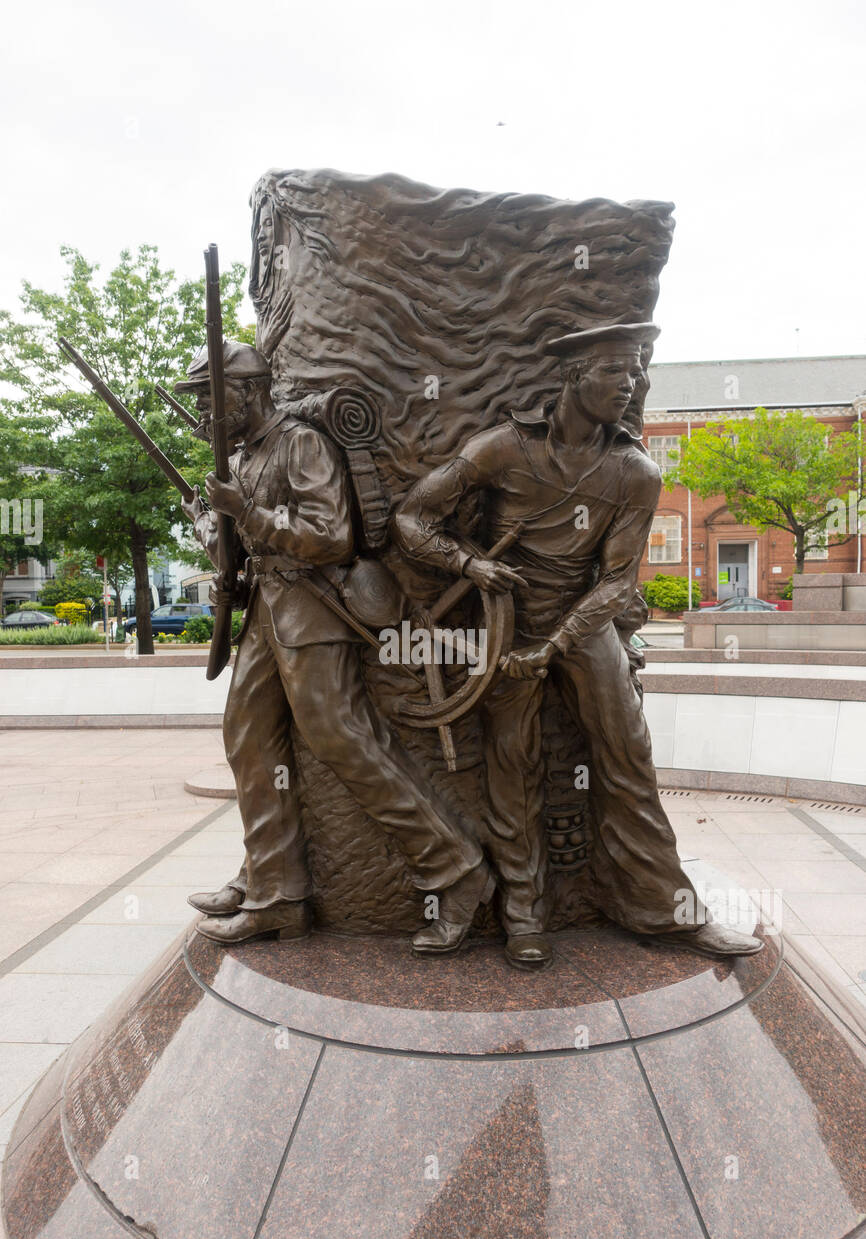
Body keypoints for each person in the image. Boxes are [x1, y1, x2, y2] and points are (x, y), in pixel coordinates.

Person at [395, 322, 762, 966]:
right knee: (513, 766)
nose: (633, 383)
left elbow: (618, 583)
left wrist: (557, 643)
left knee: (628, 758)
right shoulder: (502, 449)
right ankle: (522, 914)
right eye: (617, 369)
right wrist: (469, 566)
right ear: (573, 375)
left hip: (585, 625)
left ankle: (665, 912)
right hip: (506, 623)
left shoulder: (635, 473)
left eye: (638, 370)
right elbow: (412, 518)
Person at [178, 340, 492, 946]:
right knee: (247, 742)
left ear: (248, 391)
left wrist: (247, 510)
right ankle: (275, 890)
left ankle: (458, 869)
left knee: (344, 739)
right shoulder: (242, 459)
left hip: (314, 613)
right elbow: (238, 554)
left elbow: (332, 536)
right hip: (267, 615)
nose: (206, 416)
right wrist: (207, 524)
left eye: (213, 400)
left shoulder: (300, 443)